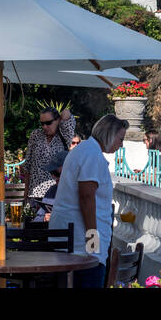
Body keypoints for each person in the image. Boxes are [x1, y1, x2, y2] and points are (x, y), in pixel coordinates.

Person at [50, 114, 126, 288]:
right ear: (109, 134)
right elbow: (86, 197)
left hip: (74, 241)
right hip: (81, 247)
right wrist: (93, 242)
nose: (121, 144)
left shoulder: (85, 150)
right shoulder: (91, 154)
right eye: (120, 139)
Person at [27, 106, 74, 197]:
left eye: (48, 123)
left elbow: (66, 113)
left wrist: (60, 118)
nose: (45, 126)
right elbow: (27, 165)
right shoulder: (36, 135)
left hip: (57, 193)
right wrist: (25, 195)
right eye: (42, 123)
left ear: (58, 120)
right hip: (35, 193)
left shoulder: (65, 135)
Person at [33, 148, 68, 221]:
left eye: (56, 173)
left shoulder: (82, 191)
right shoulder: (53, 191)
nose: (55, 177)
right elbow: (38, 219)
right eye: (53, 173)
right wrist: (44, 219)